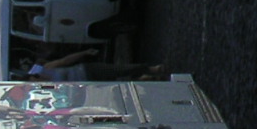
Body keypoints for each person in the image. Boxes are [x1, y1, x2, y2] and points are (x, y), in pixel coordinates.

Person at [25, 48, 167, 82]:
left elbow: (66, 61)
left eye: (36, 77)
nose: (38, 79)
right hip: (89, 86)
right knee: (120, 85)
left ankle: (151, 69)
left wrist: (84, 53)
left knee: (118, 70)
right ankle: (145, 78)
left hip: (86, 71)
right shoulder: (49, 91)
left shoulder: (48, 68)